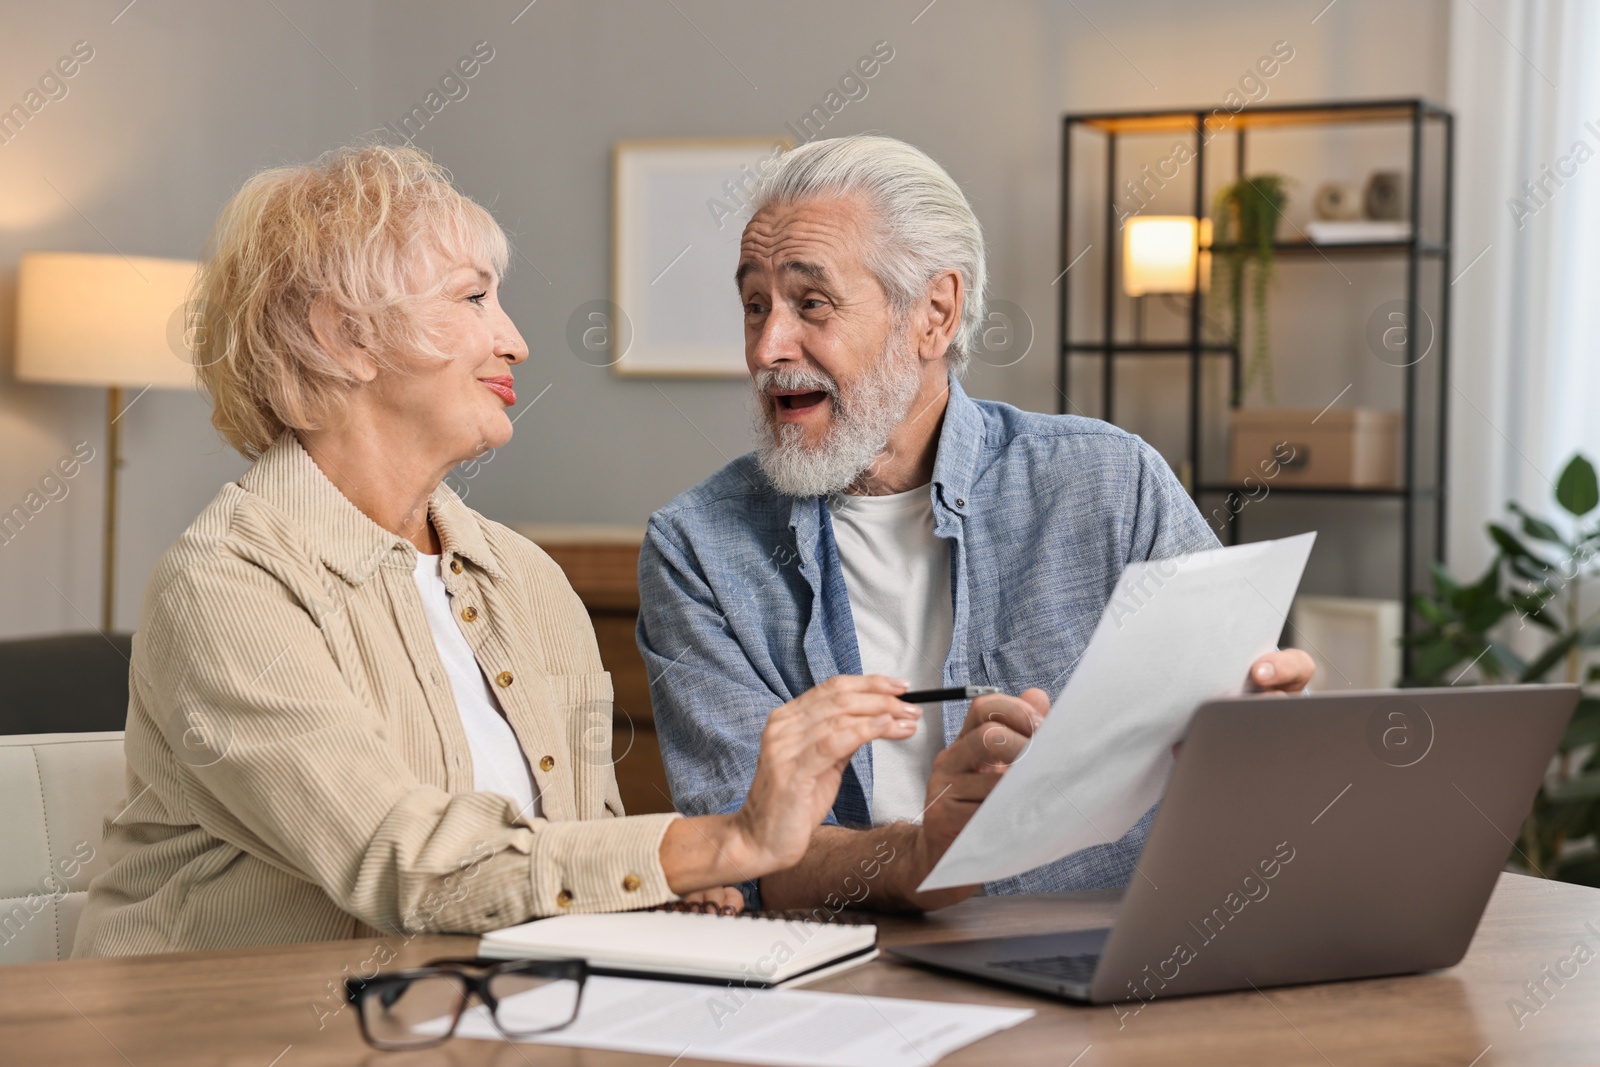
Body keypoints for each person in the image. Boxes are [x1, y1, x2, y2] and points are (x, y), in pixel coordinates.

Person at [73, 143, 925, 956]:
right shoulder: (227, 584)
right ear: (345, 336)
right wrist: (725, 841)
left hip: (481, 1010)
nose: (514, 340)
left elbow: (579, 844)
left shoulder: (525, 579)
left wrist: (674, 887)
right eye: (473, 298)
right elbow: (404, 863)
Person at [637, 135, 1314, 913]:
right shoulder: (698, 548)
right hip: (849, 967)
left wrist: (1261, 733)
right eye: (754, 305)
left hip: (1112, 952)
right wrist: (923, 856)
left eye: (809, 303)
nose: (766, 347)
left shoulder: (1106, 481)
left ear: (935, 312)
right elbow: (751, 856)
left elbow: (1238, 761)